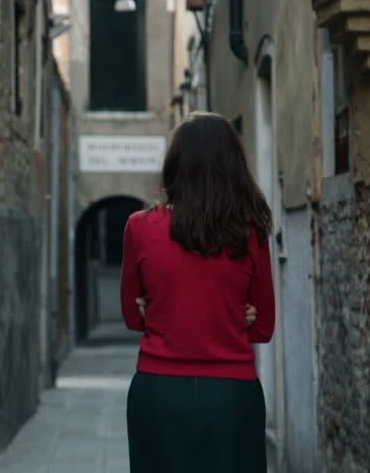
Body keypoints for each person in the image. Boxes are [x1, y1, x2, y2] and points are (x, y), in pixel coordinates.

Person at [122, 111, 275, 472]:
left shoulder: (139, 227)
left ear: (175, 165)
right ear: (234, 166)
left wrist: (163, 310)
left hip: (158, 392)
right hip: (232, 394)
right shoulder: (250, 231)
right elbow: (262, 326)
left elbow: (132, 316)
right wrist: (229, 315)